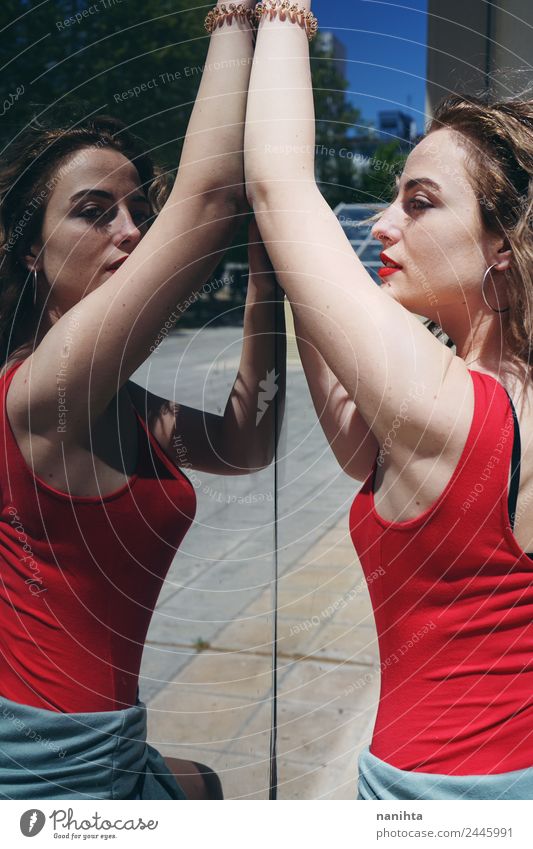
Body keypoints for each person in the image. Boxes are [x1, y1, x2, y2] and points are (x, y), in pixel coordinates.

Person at [244, 0, 533, 800]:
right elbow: (350, 434)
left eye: (419, 201)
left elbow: (276, 182)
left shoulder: (454, 411)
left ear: (502, 248)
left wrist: (278, 15)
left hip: (436, 796)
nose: (379, 224)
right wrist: (294, 272)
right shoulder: (478, 404)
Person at [0, 1, 285, 800]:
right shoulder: (39, 393)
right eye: (95, 214)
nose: (130, 231)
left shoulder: (117, 402)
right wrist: (239, 17)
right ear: (30, 251)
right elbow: (209, 203)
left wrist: (268, 277)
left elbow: (245, 440)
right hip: (41, 771)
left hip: (110, 744)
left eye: (137, 211)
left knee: (207, 786)